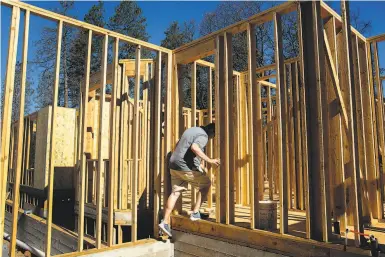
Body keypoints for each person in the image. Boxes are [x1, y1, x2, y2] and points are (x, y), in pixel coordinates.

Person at [158, 123, 220, 237]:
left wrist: (199, 165)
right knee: (206, 184)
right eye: (214, 135)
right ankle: (195, 213)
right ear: (211, 132)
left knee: (175, 192)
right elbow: (194, 148)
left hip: (173, 164)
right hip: (183, 166)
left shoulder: (192, 130)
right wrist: (210, 160)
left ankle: (165, 222)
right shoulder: (204, 136)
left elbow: (181, 145)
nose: (212, 138)